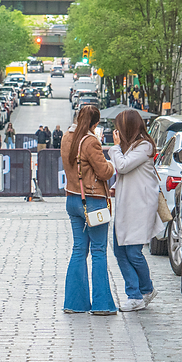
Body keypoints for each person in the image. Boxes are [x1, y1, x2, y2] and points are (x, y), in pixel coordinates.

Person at [61, 105, 117, 315]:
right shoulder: (90, 141)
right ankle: (102, 305)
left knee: (78, 249)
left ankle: (74, 303)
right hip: (93, 201)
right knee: (99, 251)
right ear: (95, 123)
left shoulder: (67, 136)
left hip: (72, 198)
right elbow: (103, 172)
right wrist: (112, 164)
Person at [108, 109, 163, 312]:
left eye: (119, 127)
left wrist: (114, 148)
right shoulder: (133, 147)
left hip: (140, 207)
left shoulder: (144, 146)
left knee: (133, 251)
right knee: (120, 250)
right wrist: (115, 187)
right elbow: (128, 174)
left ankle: (138, 294)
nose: (117, 132)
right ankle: (143, 291)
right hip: (127, 205)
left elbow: (122, 166)